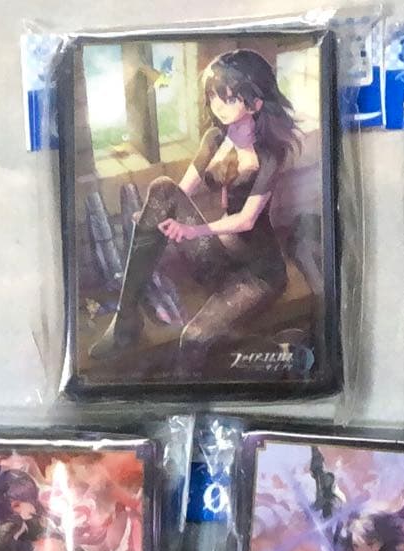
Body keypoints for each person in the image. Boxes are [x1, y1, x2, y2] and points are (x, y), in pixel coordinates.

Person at [90, 49, 300, 370]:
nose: (219, 105)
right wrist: (153, 215)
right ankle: (126, 319)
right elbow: (180, 191)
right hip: (220, 258)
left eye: (229, 98)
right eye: (214, 96)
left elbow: (246, 221)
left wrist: (192, 230)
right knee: (162, 186)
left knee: (194, 337)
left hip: (258, 274)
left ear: (255, 103)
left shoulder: (269, 154)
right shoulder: (215, 139)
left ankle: (187, 391)